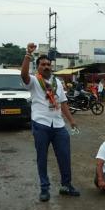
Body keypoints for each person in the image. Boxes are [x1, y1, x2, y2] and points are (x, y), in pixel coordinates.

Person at [21, 43, 80, 201]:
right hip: (41, 124)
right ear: (38, 66)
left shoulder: (57, 83)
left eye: (48, 64)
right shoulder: (33, 81)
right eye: (43, 64)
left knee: (64, 156)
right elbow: (23, 75)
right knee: (42, 157)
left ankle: (66, 185)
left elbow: (63, 103)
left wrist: (72, 121)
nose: (46, 66)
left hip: (59, 125)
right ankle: (44, 189)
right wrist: (28, 54)